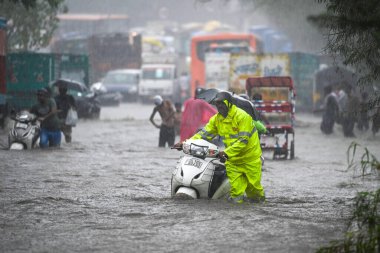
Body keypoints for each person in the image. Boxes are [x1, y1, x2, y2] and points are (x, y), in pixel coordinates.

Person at [174, 91, 265, 204]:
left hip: (250, 159)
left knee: (255, 191)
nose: (219, 106)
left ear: (229, 104)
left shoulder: (242, 117)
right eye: (217, 104)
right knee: (236, 193)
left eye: (222, 103)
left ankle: (259, 208)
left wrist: (226, 152)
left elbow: (243, 141)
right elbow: (203, 134)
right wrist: (184, 143)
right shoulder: (216, 119)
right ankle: (237, 216)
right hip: (233, 160)